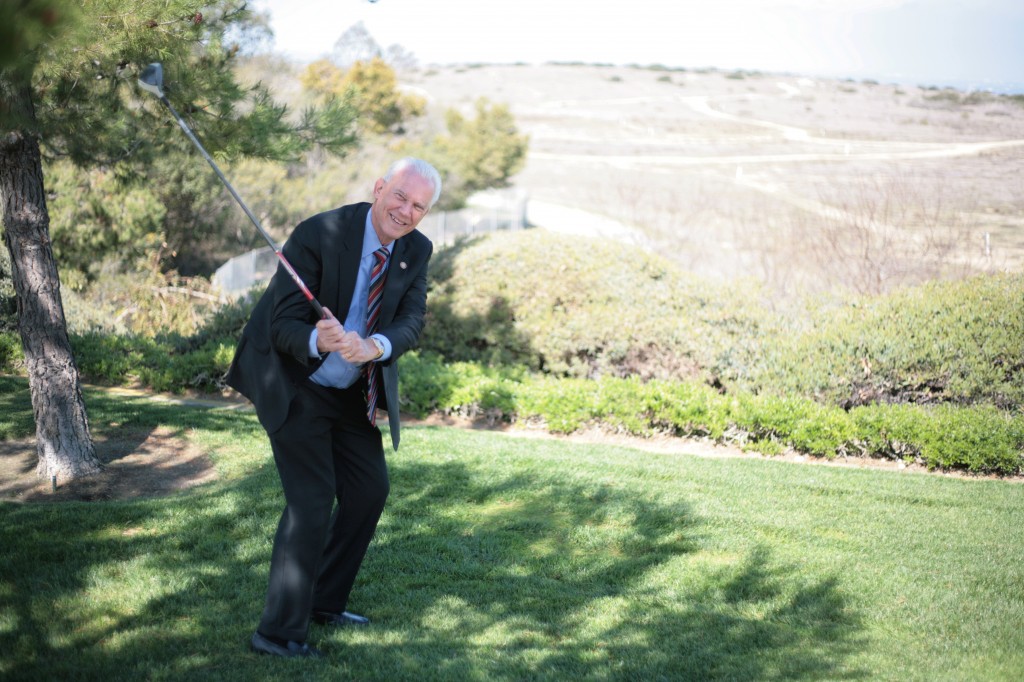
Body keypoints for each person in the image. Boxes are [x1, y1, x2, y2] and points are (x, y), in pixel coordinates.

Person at [226, 157, 442, 659]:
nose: (406, 212)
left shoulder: (417, 250)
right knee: (312, 499)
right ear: (379, 188)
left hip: (349, 388)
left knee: (369, 490)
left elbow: (413, 319)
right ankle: (277, 633)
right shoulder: (320, 232)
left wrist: (376, 346)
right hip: (296, 377)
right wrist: (317, 338)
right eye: (400, 197)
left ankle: (325, 601)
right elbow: (280, 324)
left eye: (419, 207)